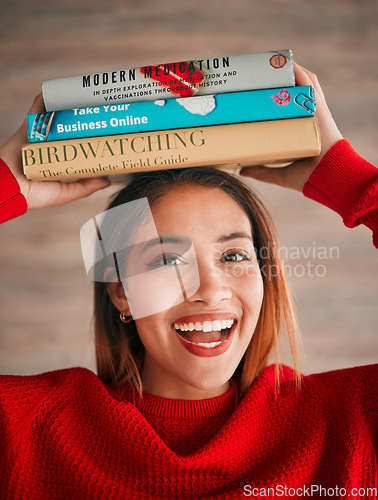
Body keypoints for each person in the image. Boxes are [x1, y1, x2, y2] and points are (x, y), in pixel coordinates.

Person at [0, 63, 377, 499]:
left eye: (234, 254)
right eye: (166, 260)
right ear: (121, 292)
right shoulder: (25, 428)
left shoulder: (353, 423)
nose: (211, 290)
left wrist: (349, 180)